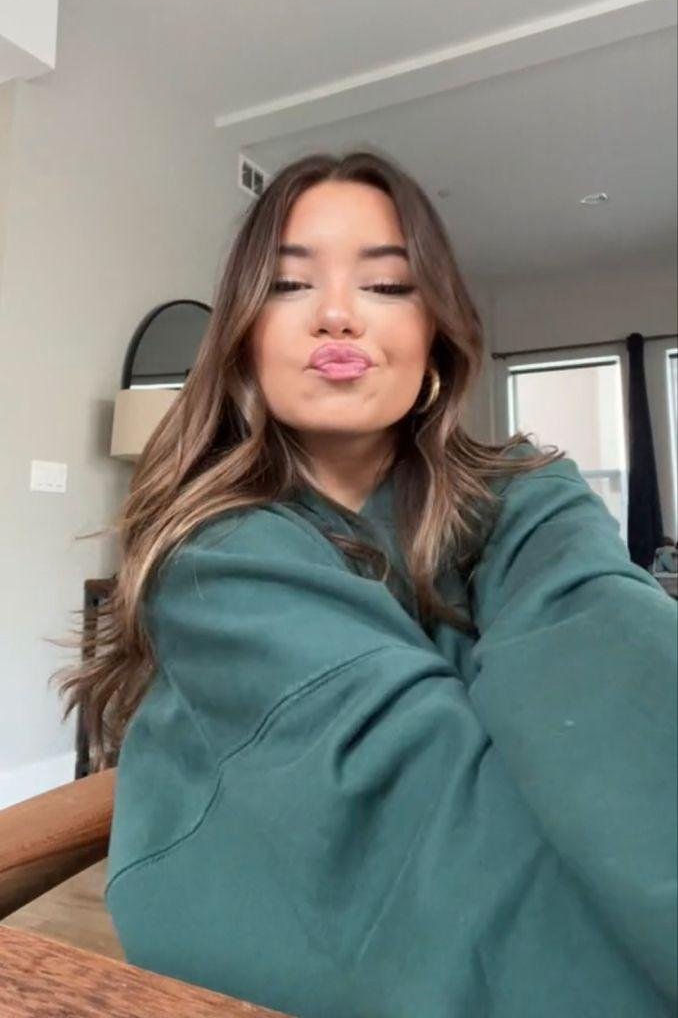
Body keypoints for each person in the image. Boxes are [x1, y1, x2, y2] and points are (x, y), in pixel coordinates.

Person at [53, 150, 677, 1018]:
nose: (339, 315)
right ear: (244, 340)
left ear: (434, 337)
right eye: (289, 285)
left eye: (386, 286)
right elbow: (428, 836)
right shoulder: (215, 554)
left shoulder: (531, 492)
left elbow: (612, 656)